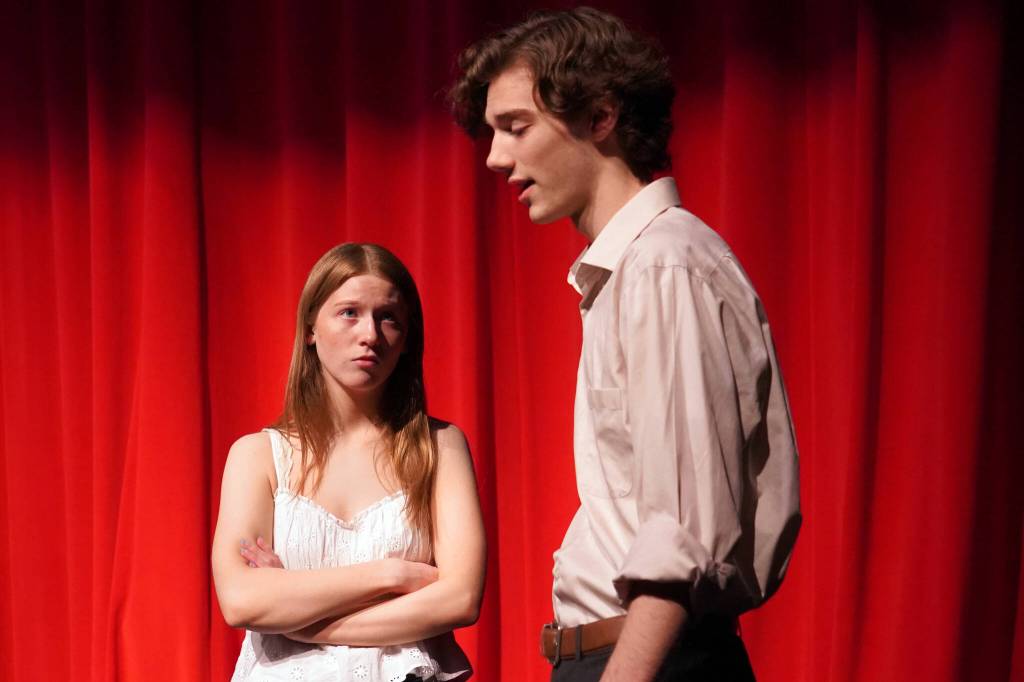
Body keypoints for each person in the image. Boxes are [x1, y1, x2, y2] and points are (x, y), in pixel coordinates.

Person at [449, 7, 800, 681]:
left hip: (653, 660)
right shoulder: (633, 269)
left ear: (601, 116)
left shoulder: (664, 264)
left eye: (516, 127)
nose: (495, 157)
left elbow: (683, 529)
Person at [211, 243, 485, 681]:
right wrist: (391, 574)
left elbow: (460, 598)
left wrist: (298, 619)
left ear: (407, 336)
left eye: (388, 317)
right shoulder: (257, 456)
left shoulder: (441, 448)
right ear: (310, 329)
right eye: (349, 313)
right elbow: (241, 601)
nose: (371, 335)